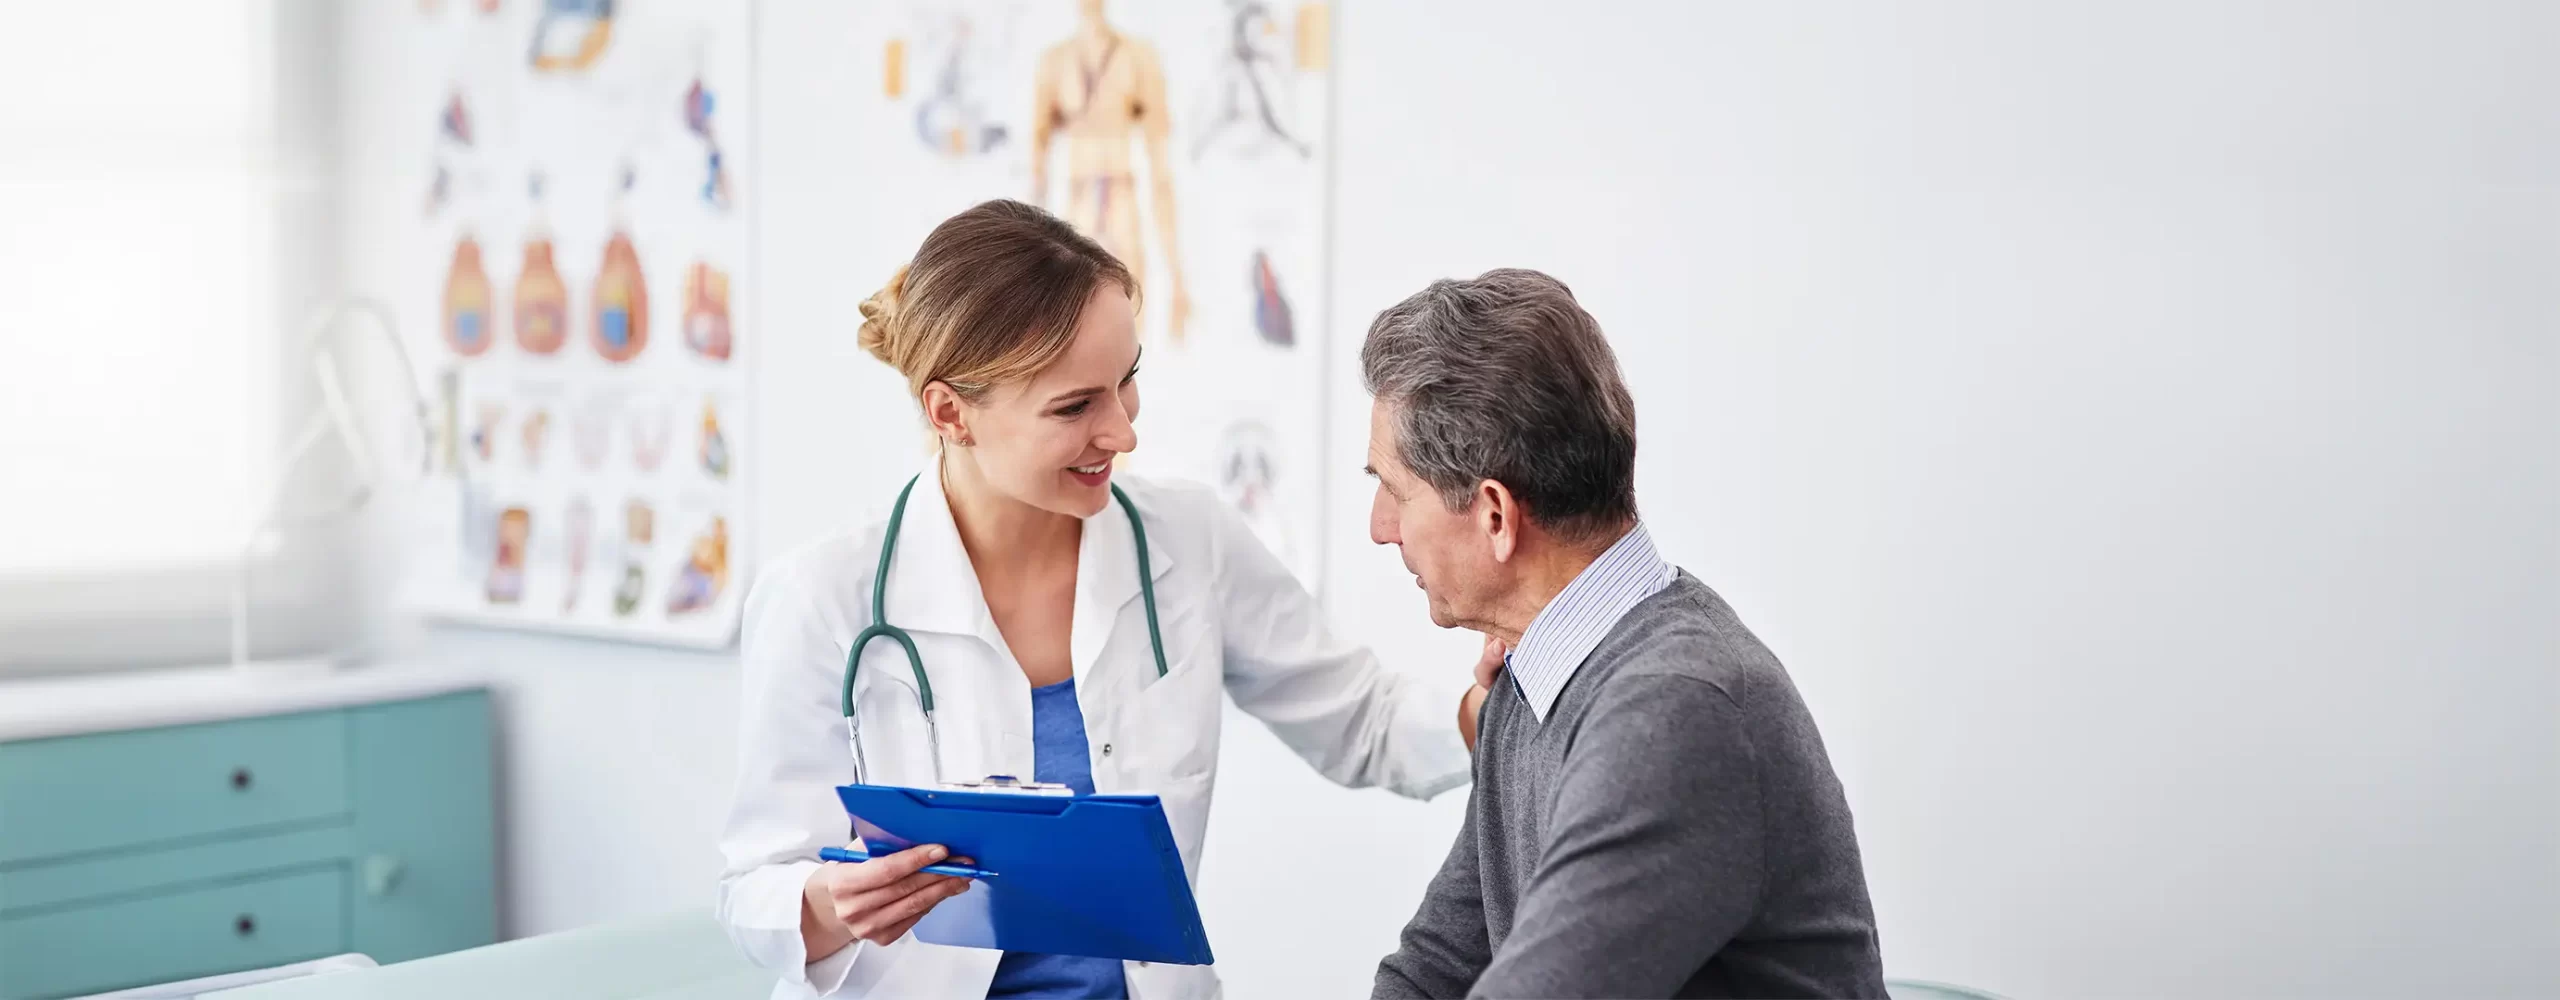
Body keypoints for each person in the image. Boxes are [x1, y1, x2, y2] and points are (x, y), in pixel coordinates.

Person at [717, 199, 1482, 1000]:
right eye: (1075, 406)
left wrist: (1494, 709)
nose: (1122, 432)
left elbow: (1361, 718)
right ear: (951, 412)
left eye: (1127, 382)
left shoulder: (1189, 539)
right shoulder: (821, 599)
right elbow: (754, 889)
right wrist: (831, 905)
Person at [1363, 270, 1888, 999]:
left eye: (1393, 489)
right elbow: (1434, 970)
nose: (1380, 529)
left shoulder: (1680, 709)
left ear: (1494, 514)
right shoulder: (1535, 676)